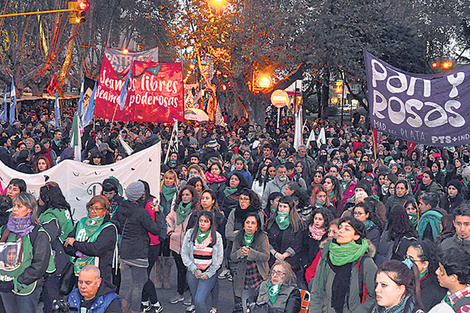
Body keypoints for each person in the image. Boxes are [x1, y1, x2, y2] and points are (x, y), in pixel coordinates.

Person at [112, 181, 164, 313]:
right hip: (139, 250)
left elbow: (114, 222)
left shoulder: (121, 207)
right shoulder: (141, 212)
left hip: (125, 249)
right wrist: (157, 213)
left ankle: (125, 307)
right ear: (140, 195)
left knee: (139, 280)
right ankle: (134, 310)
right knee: (138, 284)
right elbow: (156, 229)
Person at [309, 216, 377, 313]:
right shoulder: (327, 255)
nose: (340, 231)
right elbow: (317, 291)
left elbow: (374, 295)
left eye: (347, 229)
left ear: (356, 236)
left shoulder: (365, 262)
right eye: (340, 227)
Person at [0, 192, 55, 313]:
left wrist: (17, 281)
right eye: (14, 205)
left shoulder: (38, 233)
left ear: (30, 209)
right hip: (5, 283)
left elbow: (40, 265)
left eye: (19, 206)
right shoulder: (5, 229)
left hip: (26, 287)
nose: (15, 209)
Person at [64, 195, 118, 286]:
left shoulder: (109, 228)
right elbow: (66, 244)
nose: (93, 211)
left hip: (99, 273)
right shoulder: (81, 223)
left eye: (97, 209)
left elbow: (96, 249)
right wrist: (77, 252)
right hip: (78, 272)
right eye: (91, 208)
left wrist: (75, 243)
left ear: (105, 211)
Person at [37, 183, 74, 313]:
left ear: (46, 198)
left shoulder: (50, 216)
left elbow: (44, 239)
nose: (38, 199)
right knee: (63, 295)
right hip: (66, 255)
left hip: (55, 259)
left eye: (40, 196)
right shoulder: (64, 209)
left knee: (51, 297)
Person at [181, 211, 224, 313]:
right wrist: (194, 269)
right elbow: (184, 254)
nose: (202, 223)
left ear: (211, 223)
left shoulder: (216, 236)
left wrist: (208, 273)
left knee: (199, 300)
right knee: (196, 301)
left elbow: (219, 258)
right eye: (200, 221)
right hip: (193, 272)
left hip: (208, 273)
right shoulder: (190, 234)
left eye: (206, 221)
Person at [230, 212, 270, 313]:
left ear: (257, 226)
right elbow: (232, 257)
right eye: (247, 222)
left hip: (259, 276)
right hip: (244, 278)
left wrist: (251, 253)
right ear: (243, 225)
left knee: (261, 305)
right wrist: (240, 252)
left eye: (253, 223)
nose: (250, 225)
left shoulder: (262, 237)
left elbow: (266, 256)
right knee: (245, 306)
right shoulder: (238, 236)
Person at [166, 186, 198, 305]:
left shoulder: (195, 211)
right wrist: (170, 231)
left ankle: (191, 294)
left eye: (187, 195)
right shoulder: (176, 209)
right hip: (175, 244)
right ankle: (180, 293)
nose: (185, 197)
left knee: (190, 270)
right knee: (180, 270)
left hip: (189, 246)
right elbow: (168, 218)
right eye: (183, 195)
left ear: (192, 196)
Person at [265, 196, 303, 274]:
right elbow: (266, 239)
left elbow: (298, 243)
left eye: (285, 207)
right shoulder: (271, 222)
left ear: (290, 208)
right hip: (272, 259)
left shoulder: (297, 224)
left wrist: (283, 256)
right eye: (280, 206)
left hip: (291, 262)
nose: (282, 209)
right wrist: (275, 253)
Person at [405, 240, 446, 311]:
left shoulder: (434, 290)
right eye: (406, 257)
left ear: (425, 264)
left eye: (411, 259)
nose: (406, 262)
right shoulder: (404, 278)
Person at [302, 208, 334, 288]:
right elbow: (303, 249)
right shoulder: (307, 232)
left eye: (320, 219)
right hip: (307, 266)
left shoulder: (328, 234)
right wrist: (305, 264)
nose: (317, 221)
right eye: (315, 218)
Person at [430, 248, 470, 313]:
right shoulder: (450, 296)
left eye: (441, 270)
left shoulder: (465, 308)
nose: (436, 272)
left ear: (453, 277)